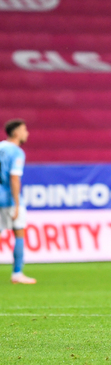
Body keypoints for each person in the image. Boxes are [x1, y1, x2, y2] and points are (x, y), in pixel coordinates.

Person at [0, 119, 35, 284]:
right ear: (16, 133)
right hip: (8, 199)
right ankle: (17, 273)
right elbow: (14, 179)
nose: (26, 133)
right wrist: (16, 203)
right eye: (24, 130)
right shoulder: (17, 152)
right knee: (19, 232)